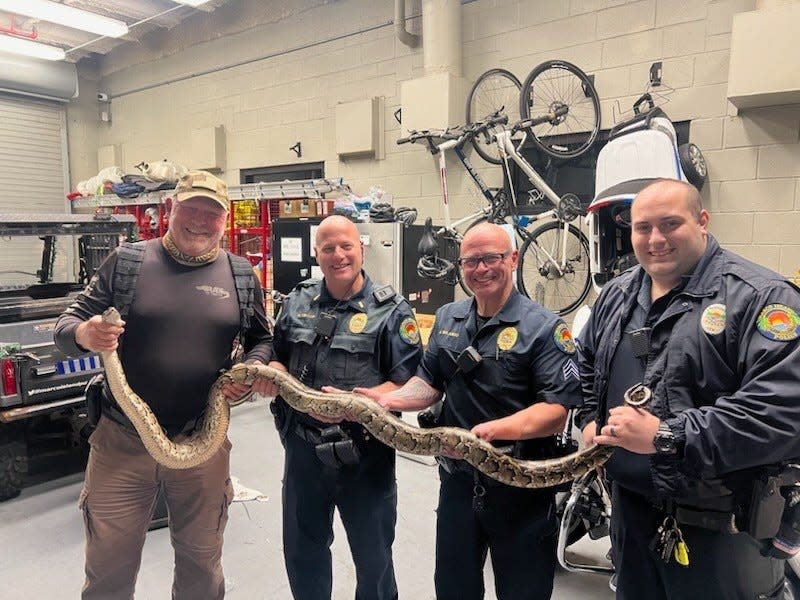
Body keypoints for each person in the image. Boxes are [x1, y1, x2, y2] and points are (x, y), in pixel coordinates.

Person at [575, 178, 800, 599]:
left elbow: (782, 411)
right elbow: (584, 362)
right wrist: (589, 420)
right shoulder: (617, 295)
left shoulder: (760, 298)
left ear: (702, 222)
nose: (655, 239)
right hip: (631, 519)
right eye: (643, 228)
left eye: (670, 224)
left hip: (720, 532)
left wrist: (667, 436)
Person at [54, 170, 273, 600]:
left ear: (224, 221)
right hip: (122, 441)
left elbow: (261, 339)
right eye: (190, 208)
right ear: (170, 209)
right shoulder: (129, 262)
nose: (198, 220)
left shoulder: (240, 273)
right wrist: (86, 334)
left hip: (203, 443)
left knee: (201, 567)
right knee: (108, 572)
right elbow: (67, 324)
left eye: (211, 213)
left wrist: (248, 372)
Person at [357, 223, 582, 600]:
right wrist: (389, 401)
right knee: (453, 588)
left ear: (512, 259)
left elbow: (557, 411)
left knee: (523, 590)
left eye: (490, 258)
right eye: (470, 261)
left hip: (519, 487)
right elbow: (429, 383)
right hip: (458, 485)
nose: (481, 269)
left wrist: (495, 431)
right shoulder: (448, 318)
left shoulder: (544, 328)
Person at [261, 215, 423, 600]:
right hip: (302, 451)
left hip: (365, 454)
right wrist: (271, 372)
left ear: (361, 249)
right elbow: (277, 356)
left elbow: (410, 383)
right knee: (303, 553)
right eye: (328, 247)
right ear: (317, 253)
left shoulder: (391, 310)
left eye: (346, 246)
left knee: (374, 560)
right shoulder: (298, 300)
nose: (338, 255)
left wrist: (361, 403)